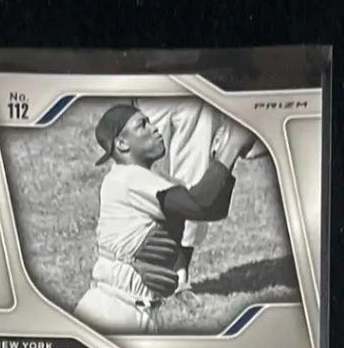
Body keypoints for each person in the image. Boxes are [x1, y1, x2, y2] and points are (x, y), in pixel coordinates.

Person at [74, 102, 257, 334]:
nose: (154, 128)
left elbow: (212, 209)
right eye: (142, 125)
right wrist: (231, 146)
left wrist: (227, 156)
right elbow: (200, 205)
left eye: (150, 121)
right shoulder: (127, 178)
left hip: (138, 313)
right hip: (111, 313)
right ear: (122, 144)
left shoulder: (146, 179)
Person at [136, 97, 261, 293]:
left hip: (198, 90)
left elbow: (202, 201)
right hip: (149, 86)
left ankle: (179, 272)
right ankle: (133, 268)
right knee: (139, 171)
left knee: (193, 174)